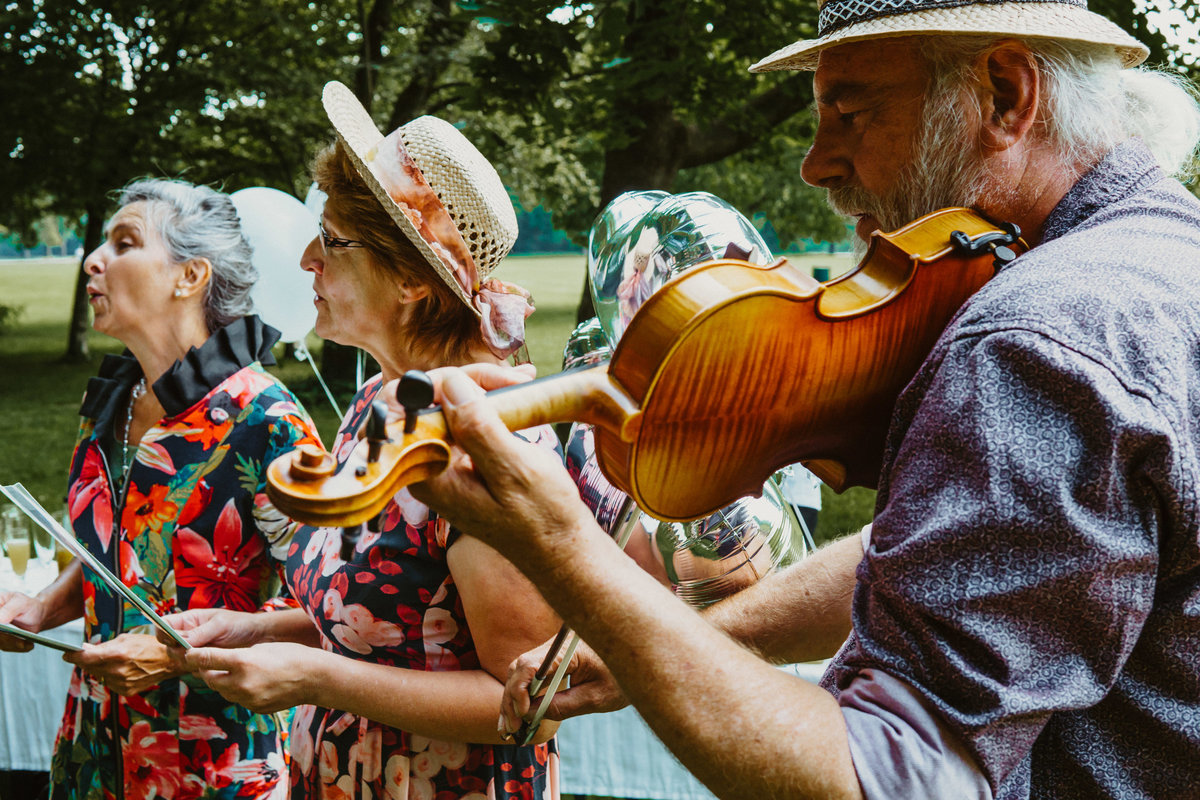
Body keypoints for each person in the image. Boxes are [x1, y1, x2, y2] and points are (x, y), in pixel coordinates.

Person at [406, 2, 1200, 799]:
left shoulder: (1036, 339)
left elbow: (891, 779)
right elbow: (961, 548)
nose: (816, 165)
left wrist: (557, 542)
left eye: (849, 113)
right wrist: (689, 635)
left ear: (1004, 95)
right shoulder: (1165, 255)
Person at [166, 81, 562, 800]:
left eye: (335, 240)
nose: (308, 258)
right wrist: (256, 629)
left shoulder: (484, 442)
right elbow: (385, 618)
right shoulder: (374, 407)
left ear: (411, 280)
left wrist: (317, 678)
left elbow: (527, 701)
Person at [0, 178, 322, 799]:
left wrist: (175, 655)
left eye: (124, 243)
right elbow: (114, 557)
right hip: (94, 752)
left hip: (215, 764)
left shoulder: (266, 423)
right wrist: (45, 607)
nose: (93, 260)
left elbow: (327, 610)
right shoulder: (113, 404)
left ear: (190, 276)